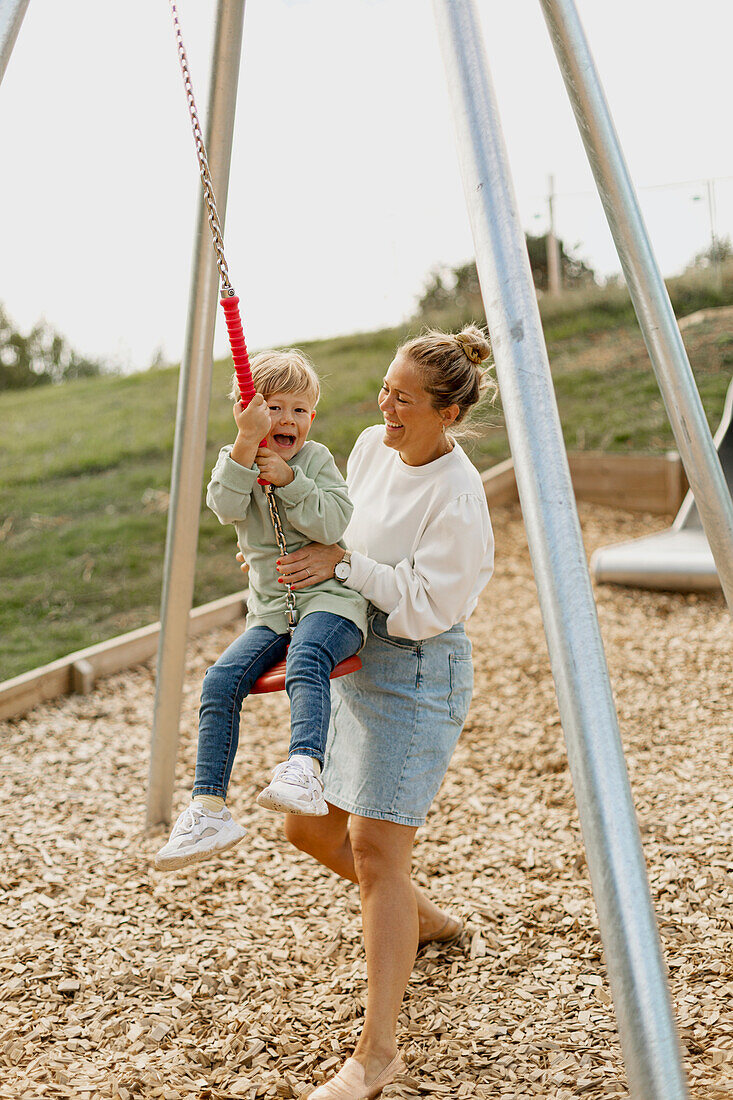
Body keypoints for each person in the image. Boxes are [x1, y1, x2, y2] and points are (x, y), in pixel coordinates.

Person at [255, 326, 496, 1099]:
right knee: (306, 824)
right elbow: (334, 530)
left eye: (404, 399)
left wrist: (346, 565)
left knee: (373, 850)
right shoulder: (366, 446)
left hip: (418, 669)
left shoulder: (459, 497)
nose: (384, 405)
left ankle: (377, 1054)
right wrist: (282, 555)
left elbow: (428, 607)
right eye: (386, 388)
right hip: (354, 649)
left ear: (447, 414)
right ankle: (423, 920)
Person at [155, 350, 367, 873]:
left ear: (311, 419)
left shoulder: (315, 461)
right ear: (249, 414)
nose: (287, 420)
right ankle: (208, 808)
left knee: (309, 655)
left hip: (331, 605)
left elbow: (334, 519)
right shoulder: (238, 459)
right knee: (220, 680)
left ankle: (304, 767)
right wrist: (247, 449)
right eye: (274, 408)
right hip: (272, 613)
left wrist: (292, 482)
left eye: (299, 410)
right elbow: (224, 507)